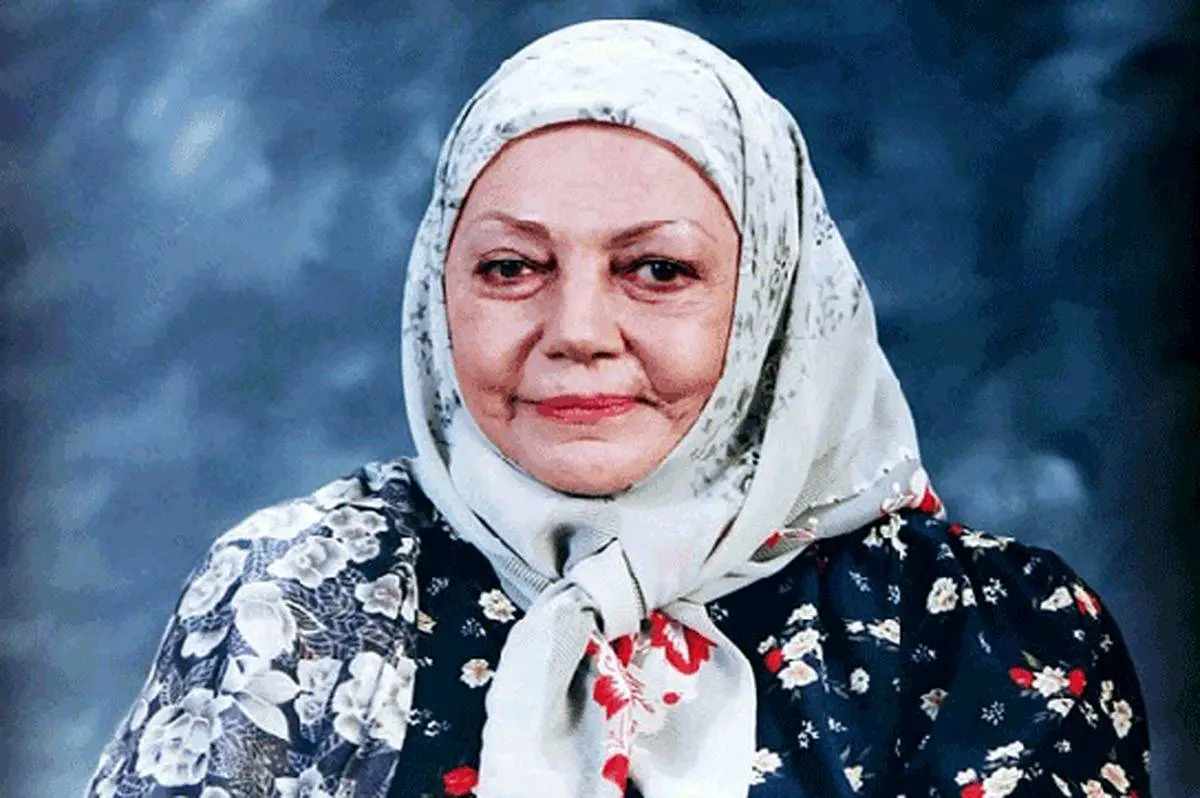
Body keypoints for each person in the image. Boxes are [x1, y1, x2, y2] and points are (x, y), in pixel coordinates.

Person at [85, 18, 1150, 798]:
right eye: (511, 267)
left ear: (776, 303)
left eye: (657, 269)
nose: (578, 329)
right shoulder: (302, 598)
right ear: (436, 297)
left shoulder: (986, 638)